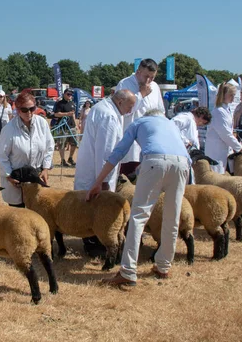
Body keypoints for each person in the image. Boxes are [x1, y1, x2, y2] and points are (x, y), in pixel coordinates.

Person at [86, 109, 190, 286]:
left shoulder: (139, 122)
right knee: (172, 217)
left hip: (155, 161)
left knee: (138, 217)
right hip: (182, 164)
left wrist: (98, 181)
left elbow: (118, 153)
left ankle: (127, 272)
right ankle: (164, 266)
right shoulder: (171, 124)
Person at [74, 90, 137, 257]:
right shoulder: (108, 116)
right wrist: (103, 181)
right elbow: (105, 152)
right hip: (96, 173)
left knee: (88, 208)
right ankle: (94, 244)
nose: (130, 111)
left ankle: (92, 241)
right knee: (95, 209)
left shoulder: (102, 108)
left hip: (91, 169)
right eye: (130, 106)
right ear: (121, 101)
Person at [0, 91, 54, 207]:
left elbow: (49, 147)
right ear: (17, 110)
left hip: (36, 178)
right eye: (24, 110)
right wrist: (9, 176)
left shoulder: (42, 123)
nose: (29, 112)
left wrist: (46, 168)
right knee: (19, 220)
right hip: (17, 182)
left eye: (32, 109)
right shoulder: (8, 129)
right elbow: (2, 156)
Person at [115, 58, 165, 176]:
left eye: (152, 77)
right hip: (130, 141)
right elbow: (123, 111)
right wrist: (141, 94)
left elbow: (160, 111)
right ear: (138, 72)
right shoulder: (125, 84)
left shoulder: (155, 87)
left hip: (149, 141)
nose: (148, 80)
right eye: (146, 76)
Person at [205, 82, 242, 174]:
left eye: (234, 95)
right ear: (223, 95)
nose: (233, 98)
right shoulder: (219, 111)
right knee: (216, 174)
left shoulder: (226, 109)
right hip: (216, 149)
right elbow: (225, 134)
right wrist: (239, 148)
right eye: (231, 95)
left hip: (224, 148)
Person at [53, 88, 78, 167]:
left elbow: (73, 114)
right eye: (68, 94)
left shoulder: (72, 103)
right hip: (63, 127)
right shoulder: (60, 103)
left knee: (74, 143)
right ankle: (62, 160)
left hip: (72, 126)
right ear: (64, 94)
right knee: (62, 144)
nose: (70, 96)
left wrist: (76, 124)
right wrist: (67, 114)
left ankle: (70, 158)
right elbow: (56, 114)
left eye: (71, 94)